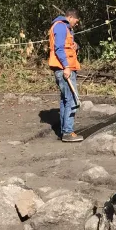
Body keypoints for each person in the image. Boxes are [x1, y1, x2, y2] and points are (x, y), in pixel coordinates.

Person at [49, 9, 83, 142]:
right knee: (72, 100)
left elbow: (66, 46)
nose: (76, 23)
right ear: (70, 17)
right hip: (64, 69)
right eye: (76, 21)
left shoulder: (64, 28)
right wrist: (66, 67)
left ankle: (64, 130)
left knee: (65, 99)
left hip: (65, 68)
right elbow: (58, 48)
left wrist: (75, 45)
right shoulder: (61, 27)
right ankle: (68, 132)